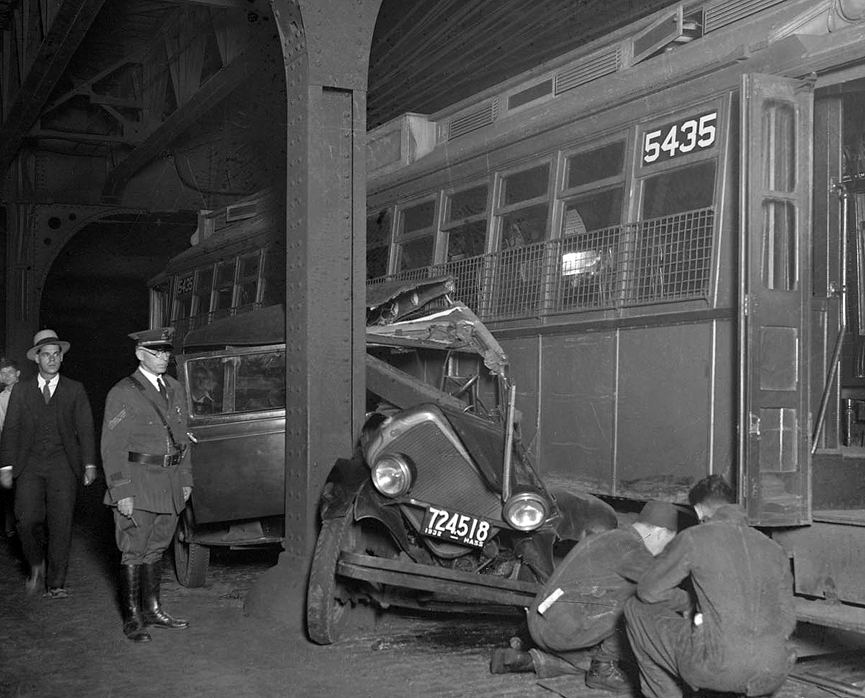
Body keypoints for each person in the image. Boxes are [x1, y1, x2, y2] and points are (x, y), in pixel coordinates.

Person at [624, 475, 797, 698]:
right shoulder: (774, 548)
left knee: (634, 608)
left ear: (698, 511)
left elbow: (648, 592)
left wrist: (690, 605)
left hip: (716, 667)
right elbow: (787, 620)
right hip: (773, 672)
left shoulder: (694, 537)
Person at [490, 500, 679, 693]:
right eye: (668, 544)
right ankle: (603, 669)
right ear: (660, 533)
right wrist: (691, 603)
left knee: (589, 661)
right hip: (561, 629)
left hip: (539, 621)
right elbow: (660, 589)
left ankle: (529, 660)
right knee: (640, 604)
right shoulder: (633, 549)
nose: (663, 551)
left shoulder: (610, 536)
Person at [101, 327, 193, 643]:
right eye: (157, 351)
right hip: (138, 484)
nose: (164, 357)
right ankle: (132, 617)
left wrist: (186, 479)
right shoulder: (123, 392)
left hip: (170, 484)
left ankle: (153, 609)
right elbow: (112, 447)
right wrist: (121, 491)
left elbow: (183, 438)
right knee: (133, 549)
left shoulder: (175, 388)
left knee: (157, 547)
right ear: (140, 354)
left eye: (167, 351)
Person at [0, 330, 97, 597]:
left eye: (56, 354)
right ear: (37, 359)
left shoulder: (74, 390)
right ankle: (35, 561)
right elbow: (10, 430)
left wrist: (89, 464)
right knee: (25, 520)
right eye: (46, 355)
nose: (52, 359)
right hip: (29, 464)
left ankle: (56, 583)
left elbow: (85, 429)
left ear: (61, 358)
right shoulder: (21, 391)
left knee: (61, 523)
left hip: (62, 464)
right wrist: (5, 466)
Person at [0, 357, 22, 538]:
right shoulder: (1, 398)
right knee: (8, 489)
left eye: (10, 372)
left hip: (29, 449)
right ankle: (9, 527)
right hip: (8, 448)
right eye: (2, 373)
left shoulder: (30, 392)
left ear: (18, 374)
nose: (6, 376)